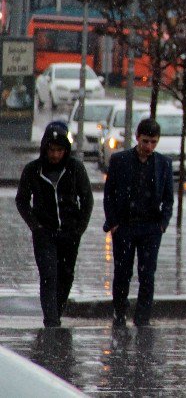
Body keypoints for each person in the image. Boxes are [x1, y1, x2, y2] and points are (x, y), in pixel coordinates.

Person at [16, 122, 94, 327]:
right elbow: (22, 200)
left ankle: (57, 312)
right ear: (45, 148)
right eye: (52, 150)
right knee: (48, 274)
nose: (55, 155)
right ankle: (51, 320)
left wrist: (79, 228)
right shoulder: (33, 170)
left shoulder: (75, 168)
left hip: (69, 232)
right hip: (45, 232)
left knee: (66, 275)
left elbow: (87, 199)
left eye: (60, 150)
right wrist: (36, 226)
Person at [103, 118, 174, 327]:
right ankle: (119, 313)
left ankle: (142, 318)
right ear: (137, 138)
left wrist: (162, 223)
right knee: (122, 272)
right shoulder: (120, 161)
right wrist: (114, 224)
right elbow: (109, 195)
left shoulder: (163, 164)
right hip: (125, 226)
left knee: (147, 274)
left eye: (153, 142)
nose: (149, 147)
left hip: (151, 227)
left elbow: (168, 198)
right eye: (145, 142)